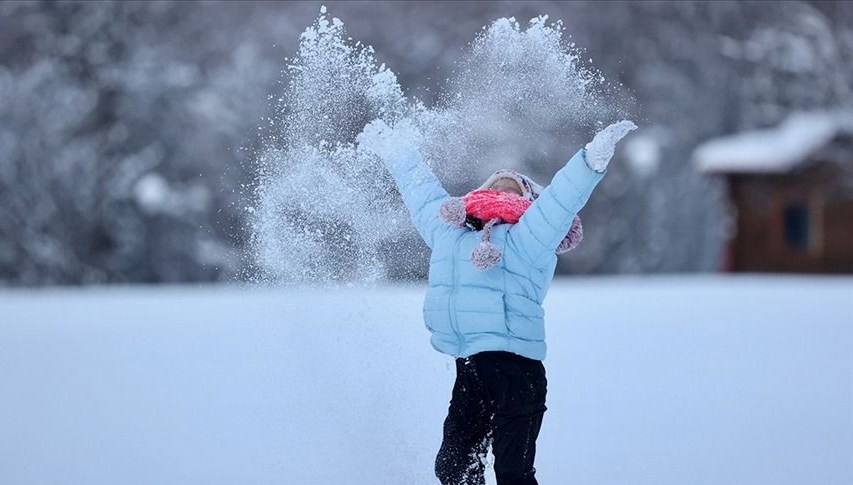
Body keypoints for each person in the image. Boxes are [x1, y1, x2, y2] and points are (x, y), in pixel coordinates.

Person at [358, 119, 636, 485]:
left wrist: (590, 161)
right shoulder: (450, 230)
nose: (504, 182)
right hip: (470, 367)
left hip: (517, 371)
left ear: (528, 200)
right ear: (478, 193)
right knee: (453, 468)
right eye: (495, 182)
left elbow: (562, 198)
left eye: (515, 185)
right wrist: (397, 152)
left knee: (513, 475)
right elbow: (421, 192)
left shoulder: (531, 235)